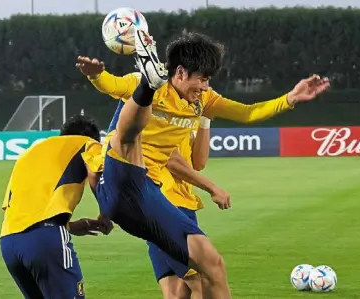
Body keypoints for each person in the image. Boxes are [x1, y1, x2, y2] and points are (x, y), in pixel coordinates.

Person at [77, 30, 330, 299]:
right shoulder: (153, 84)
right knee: (128, 133)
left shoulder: (203, 101)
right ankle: (146, 88)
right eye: (203, 78)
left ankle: (145, 91)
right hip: (127, 174)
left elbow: (247, 112)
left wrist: (289, 99)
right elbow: (113, 85)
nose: (206, 87)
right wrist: (96, 75)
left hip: (148, 193)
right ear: (181, 72)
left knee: (206, 270)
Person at [0, 115, 113, 299]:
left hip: (9, 242)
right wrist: (105, 214)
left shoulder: (29, 152)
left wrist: (70, 226)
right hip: (45, 239)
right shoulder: (87, 143)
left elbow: (21, 209)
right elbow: (95, 173)